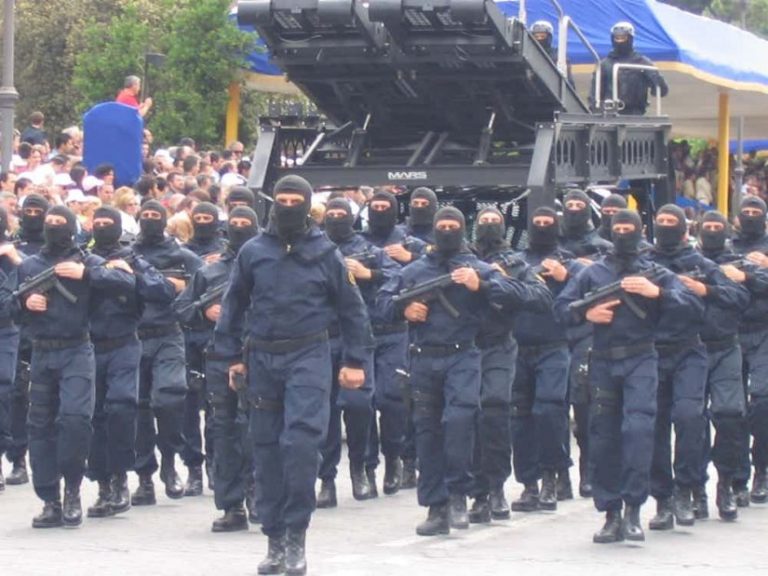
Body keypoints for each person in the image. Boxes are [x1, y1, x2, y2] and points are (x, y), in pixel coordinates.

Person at [216, 175, 374, 575]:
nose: (288, 207)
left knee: (301, 445)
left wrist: (355, 361)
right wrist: (232, 357)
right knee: (266, 449)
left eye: (295, 201)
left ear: (306, 205)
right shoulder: (253, 251)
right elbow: (233, 305)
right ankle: (274, 538)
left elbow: (353, 310)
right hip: (262, 357)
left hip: (309, 355)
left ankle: (296, 536)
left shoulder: (327, 254)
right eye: (282, 200)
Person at [555, 209, 701, 543]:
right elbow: (562, 307)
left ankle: (634, 509)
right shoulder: (593, 273)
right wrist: (587, 313)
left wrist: (657, 293)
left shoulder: (655, 273)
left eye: (628, 228)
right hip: (603, 360)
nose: (622, 233)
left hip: (641, 359)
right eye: (617, 228)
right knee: (603, 437)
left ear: (640, 231)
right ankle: (611, 513)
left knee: (638, 431)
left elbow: (693, 306)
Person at [376, 206, 522, 536]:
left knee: (460, 422)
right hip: (424, 357)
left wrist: (479, 285)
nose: (446, 231)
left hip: (463, 356)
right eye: (441, 225)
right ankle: (436, 505)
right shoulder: (415, 271)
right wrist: (404, 309)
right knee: (427, 432)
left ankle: (459, 493)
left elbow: (515, 294)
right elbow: (383, 303)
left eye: (453, 226)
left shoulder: (477, 267)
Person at [1, 206, 134, 527]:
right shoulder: (30, 265)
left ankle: (72, 489)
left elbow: (125, 283)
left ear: (72, 228)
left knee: (75, 420)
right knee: (40, 426)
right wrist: (25, 303)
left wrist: (86, 274)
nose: (52, 227)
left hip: (77, 349)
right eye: (49, 222)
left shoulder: (86, 261)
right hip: (42, 352)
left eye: (60, 223)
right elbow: (7, 303)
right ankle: (50, 499)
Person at [646, 204, 742, 531]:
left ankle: (692, 487)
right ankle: (663, 498)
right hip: (651, 353)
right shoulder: (644, 263)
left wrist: (706, 290)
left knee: (693, 418)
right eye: (661, 221)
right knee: (654, 427)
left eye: (672, 221)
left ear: (685, 229)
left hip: (693, 349)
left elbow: (737, 296)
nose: (666, 226)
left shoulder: (700, 264)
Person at [174, 206, 260, 532]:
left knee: (256, 430)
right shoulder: (209, 272)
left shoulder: (266, 267)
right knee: (223, 430)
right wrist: (204, 312)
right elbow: (182, 309)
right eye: (234, 223)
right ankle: (231, 504)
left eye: (245, 223)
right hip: (220, 357)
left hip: (259, 356)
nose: (239, 228)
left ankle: (258, 493)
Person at [86, 206, 175, 518]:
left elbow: (163, 290)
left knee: (122, 407)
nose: (101, 227)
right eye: (97, 222)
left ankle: (121, 476)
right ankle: (103, 484)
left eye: (107, 222)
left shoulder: (132, 258)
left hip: (124, 343)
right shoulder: (82, 258)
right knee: (93, 416)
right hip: (88, 346)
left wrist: (130, 274)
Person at [468, 207, 552, 523]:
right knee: (467, 416)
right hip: (464, 347)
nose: (489, 225)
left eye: (494, 222)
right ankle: (475, 492)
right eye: (484, 221)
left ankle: (495, 487)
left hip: (499, 345)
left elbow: (541, 297)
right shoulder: (463, 259)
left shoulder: (515, 264)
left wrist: (500, 283)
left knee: (495, 409)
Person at [316, 198, 398, 506]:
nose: (336, 218)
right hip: (323, 336)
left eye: (342, 214)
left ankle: (361, 467)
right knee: (326, 412)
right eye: (332, 214)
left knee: (359, 404)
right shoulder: (314, 249)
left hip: (358, 336)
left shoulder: (368, 249)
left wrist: (368, 274)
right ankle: (326, 479)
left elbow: (398, 277)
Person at [509, 207, 583, 513]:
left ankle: (553, 477)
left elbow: (586, 291)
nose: (541, 227)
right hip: (518, 347)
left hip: (554, 345)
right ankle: (529, 483)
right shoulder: (516, 261)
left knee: (550, 410)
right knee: (520, 416)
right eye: (536, 222)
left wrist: (566, 277)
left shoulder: (568, 261)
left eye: (547, 222)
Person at [130, 201, 202, 506]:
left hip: (169, 334)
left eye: (155, 215)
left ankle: (170, 460)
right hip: (134, 336)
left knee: (170, 397)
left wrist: (183, 289)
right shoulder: (128, 254)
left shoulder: (182, 255)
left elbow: (206, 285)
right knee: (138, 409)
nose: (149, 220)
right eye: (145, 215)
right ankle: (144, 477)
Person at [362, 190, 427, 489]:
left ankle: (395, 458)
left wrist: (408, 257)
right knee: (362, 402)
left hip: (397, 330)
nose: (379, 211)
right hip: (361, 330)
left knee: (393, 399)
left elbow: (432, 266)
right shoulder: (357, 242)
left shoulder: (408, 241)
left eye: (384, 206)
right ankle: (366, 465)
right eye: (374, 206)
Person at [696, 210, 758, 520]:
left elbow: (742, 296)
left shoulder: (736, 263)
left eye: (716, 226)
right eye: (706, 226)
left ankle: (729, 483)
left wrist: (738, 278)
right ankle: (694, 488)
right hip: (691, 349)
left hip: (727, 346)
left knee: (730, 415)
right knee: (691, 420)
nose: (711, 231)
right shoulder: (685, 261)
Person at [559, 190, 613, 499]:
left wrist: (576, 268)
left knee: (587, 407)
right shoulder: (550, 245)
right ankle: (557, 475)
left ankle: (589, 470)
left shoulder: (602, 248)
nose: (574, 210)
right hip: (554, 333)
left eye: (580, 205)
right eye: (570, 205)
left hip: (588, 334)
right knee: (551, 408)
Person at [731, 196, 768, 504]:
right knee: (732, 410)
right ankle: (738, 476)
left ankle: (762, 469)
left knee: (762, 403)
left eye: (757, 212)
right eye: (747, 212)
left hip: (764, 332)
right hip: (731, 332)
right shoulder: (726, 247)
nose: (751, 216)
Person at [590, 22, 668, 116]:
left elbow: (662, 90)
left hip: (635, 115)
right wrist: (597, 113)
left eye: (623, 38)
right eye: (617, 38)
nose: (620, 41)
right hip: (609, 115)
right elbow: (595, 95)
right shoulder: (604, 65)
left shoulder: (643, 63)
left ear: (630, 38)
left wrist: (656, 78)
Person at [0, 207, 23, 491]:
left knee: (3, 389)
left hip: (5, 328)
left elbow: (37, 273)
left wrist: (15, 258)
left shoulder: (11, 253)